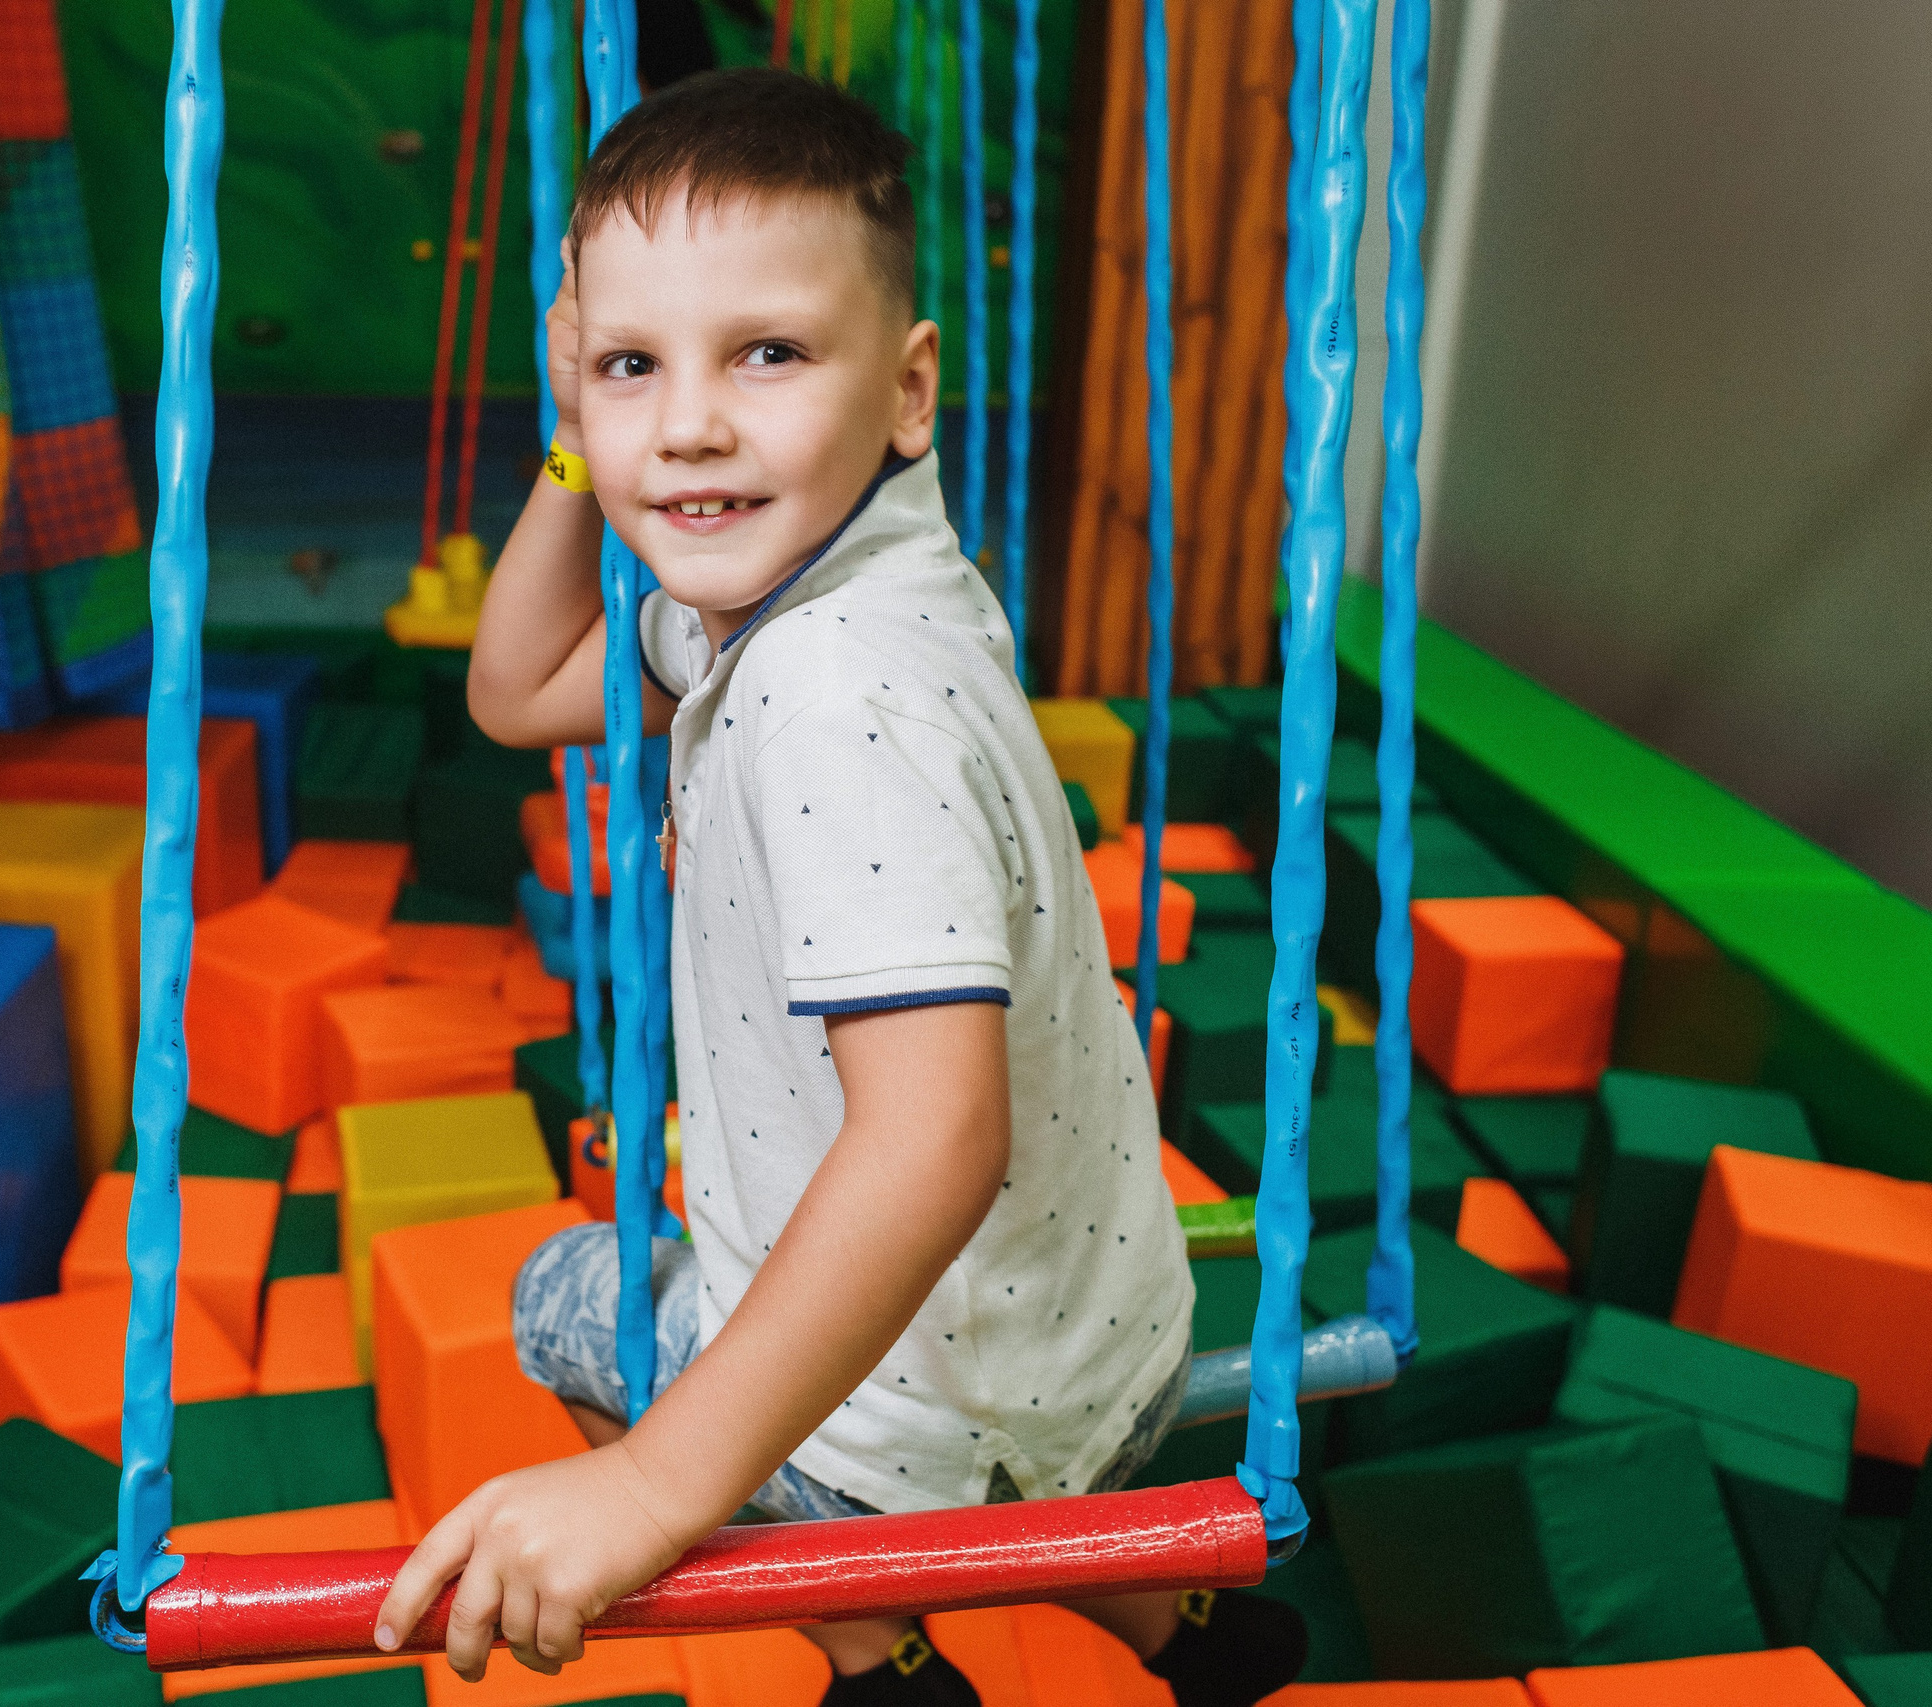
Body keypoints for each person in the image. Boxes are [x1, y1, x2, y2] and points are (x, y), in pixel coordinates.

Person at [373, 67, 1306, 1707]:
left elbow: (938, 1135)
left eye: (770, 353)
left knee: (559, 1298)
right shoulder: (856, 574)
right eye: (629, 368)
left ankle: (875, 1647)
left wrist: (651, 1484)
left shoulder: (830, 698)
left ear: (908, 386)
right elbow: (519, 689)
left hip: (940, 1415)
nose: (691, 426)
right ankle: (1185, 1618)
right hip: (1107, 1330)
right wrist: (566, 440)